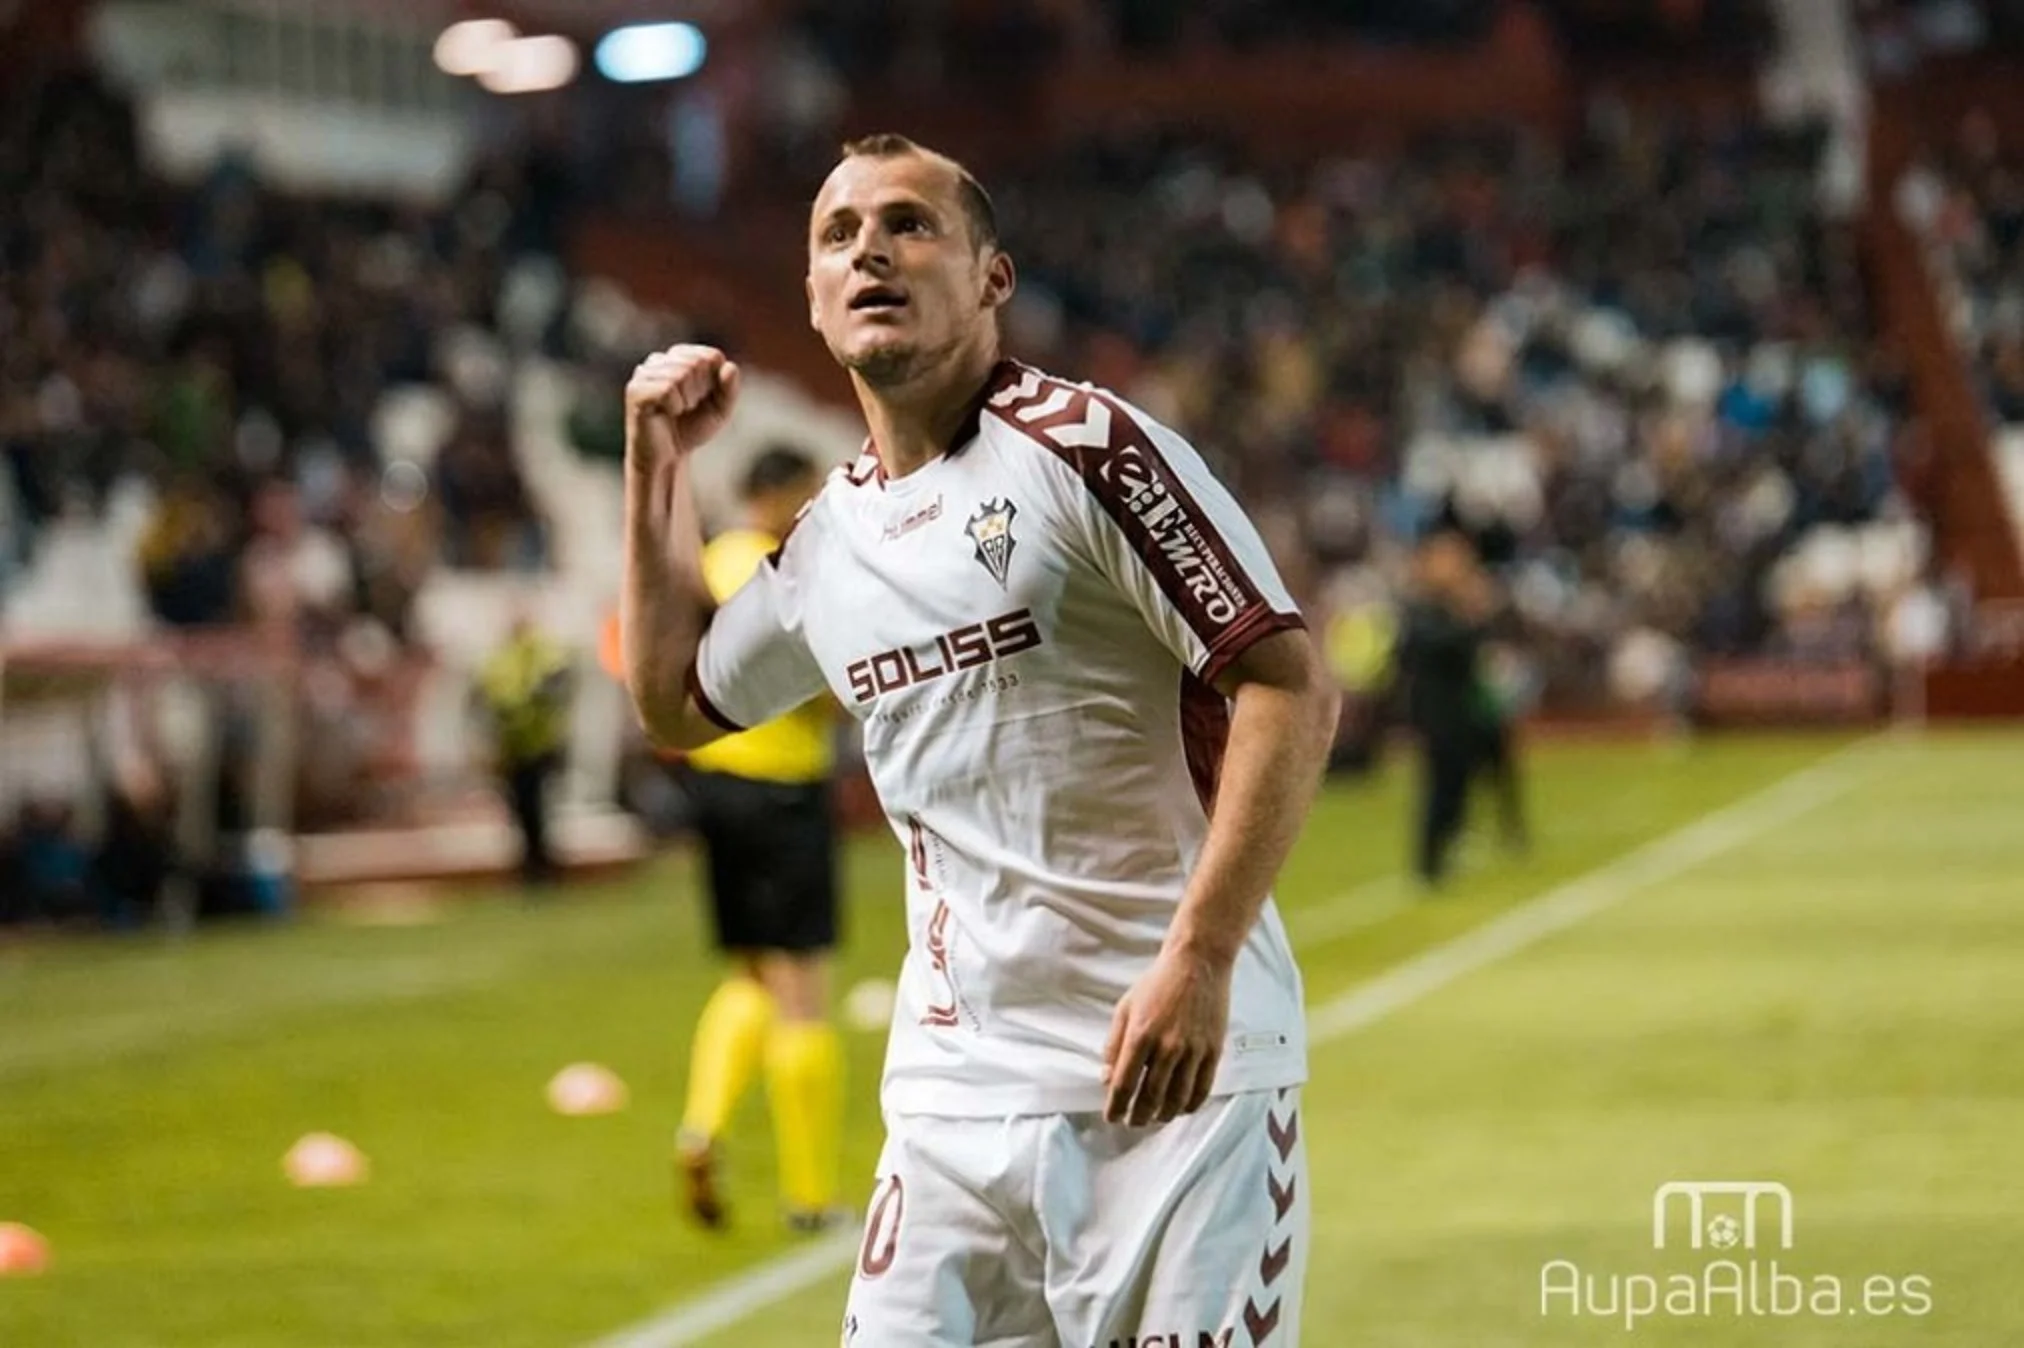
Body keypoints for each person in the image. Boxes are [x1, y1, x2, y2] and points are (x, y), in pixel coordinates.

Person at [619, 134, 1338, 1346]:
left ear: (991, 277)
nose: (870, 251)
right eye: (838, 234)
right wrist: (654, 466)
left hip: (1177, 1091)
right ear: (811, 296)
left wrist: (1202, 955)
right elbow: (675, 702)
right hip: (950, 1108)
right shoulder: (829, 543)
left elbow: (1288, 683)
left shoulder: (1087, 449)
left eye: (909, 224)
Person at [670, 445, 848, 1234]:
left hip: (714, 784)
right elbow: (819, 688)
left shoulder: (711, 563)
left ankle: (700, 1127)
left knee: (751, 973)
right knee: (802, 992)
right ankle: (810, 1198)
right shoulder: (781, 569)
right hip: (781, 792)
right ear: (774, 494)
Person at [1394, 531, 1494, 887]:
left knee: (1458, 781)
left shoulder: (1451, 608)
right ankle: (1428, 859)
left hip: (1460, 706)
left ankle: (1449, 843)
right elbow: (1421, 647)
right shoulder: (1420, 607)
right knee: (1439, 783)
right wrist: (1470, 620)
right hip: (1435, 709)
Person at [475, 608, 574, 888]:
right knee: (521, 809)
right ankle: (531, 866)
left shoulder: (540, 652)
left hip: (538, 745)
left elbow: (555, 682)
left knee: (540, 809)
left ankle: (543, 865)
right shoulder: (501, 658)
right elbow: (487, 698)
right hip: (513, 747)